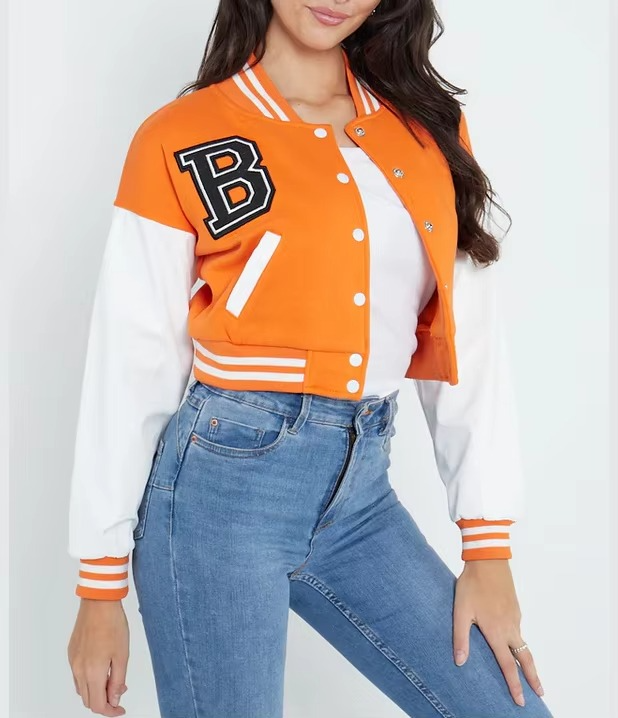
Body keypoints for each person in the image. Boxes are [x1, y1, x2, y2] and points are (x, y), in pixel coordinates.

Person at [66, 1, 554, 717]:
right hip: (218, 498)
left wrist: (488, 550)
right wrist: (99, 587)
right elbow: (130, 361)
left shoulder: (428, 130)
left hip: (362, 499)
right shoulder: (181, 135)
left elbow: (472, 341)